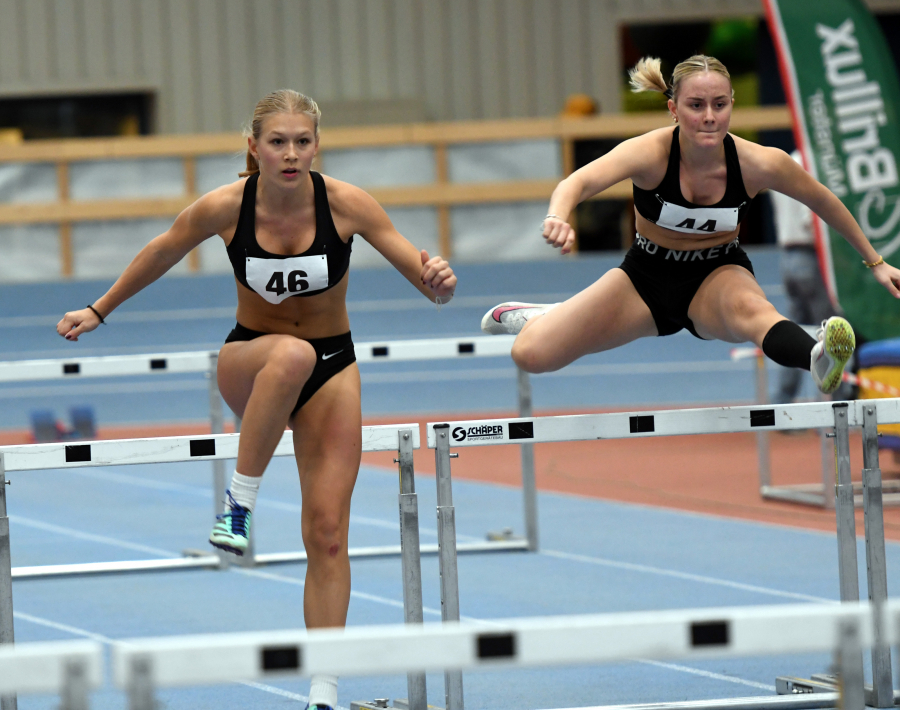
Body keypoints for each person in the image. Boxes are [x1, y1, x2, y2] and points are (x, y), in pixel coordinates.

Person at [56, 89, 456, 710]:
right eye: (278, 142)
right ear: (254, 147)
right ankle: (238, 505)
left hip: (332, 366)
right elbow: (162, 250)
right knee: (288, 355)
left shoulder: (347, 205)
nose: (291, 153)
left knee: (327, 533)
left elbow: (421, 273)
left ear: (317, 146)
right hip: (252, 361)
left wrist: (438, 281)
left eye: (302, 141)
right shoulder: (225, 207)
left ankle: (323, 693)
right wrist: (98, 310)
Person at [481, 55, 900, 397]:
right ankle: (545, 317)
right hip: (644, 279)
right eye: (696, 106)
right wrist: (558, 215)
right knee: (531, 355)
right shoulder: (649, 153)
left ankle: (817, 355)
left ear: (732, 103)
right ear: (673, 109)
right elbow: (578, 181)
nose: (710, 117)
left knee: (753, 312)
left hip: (716, 274)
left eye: (720, 105)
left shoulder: (760, 163)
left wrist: (875, 262)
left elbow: (824, 201)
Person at [770, 150, 845, 403]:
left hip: (787, 257)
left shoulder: (783, 161)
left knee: (794, 332)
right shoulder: (812, 165)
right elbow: (810, 218)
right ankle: (837, 402)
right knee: (831, 329)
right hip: (809, 256)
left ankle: (782, 400)